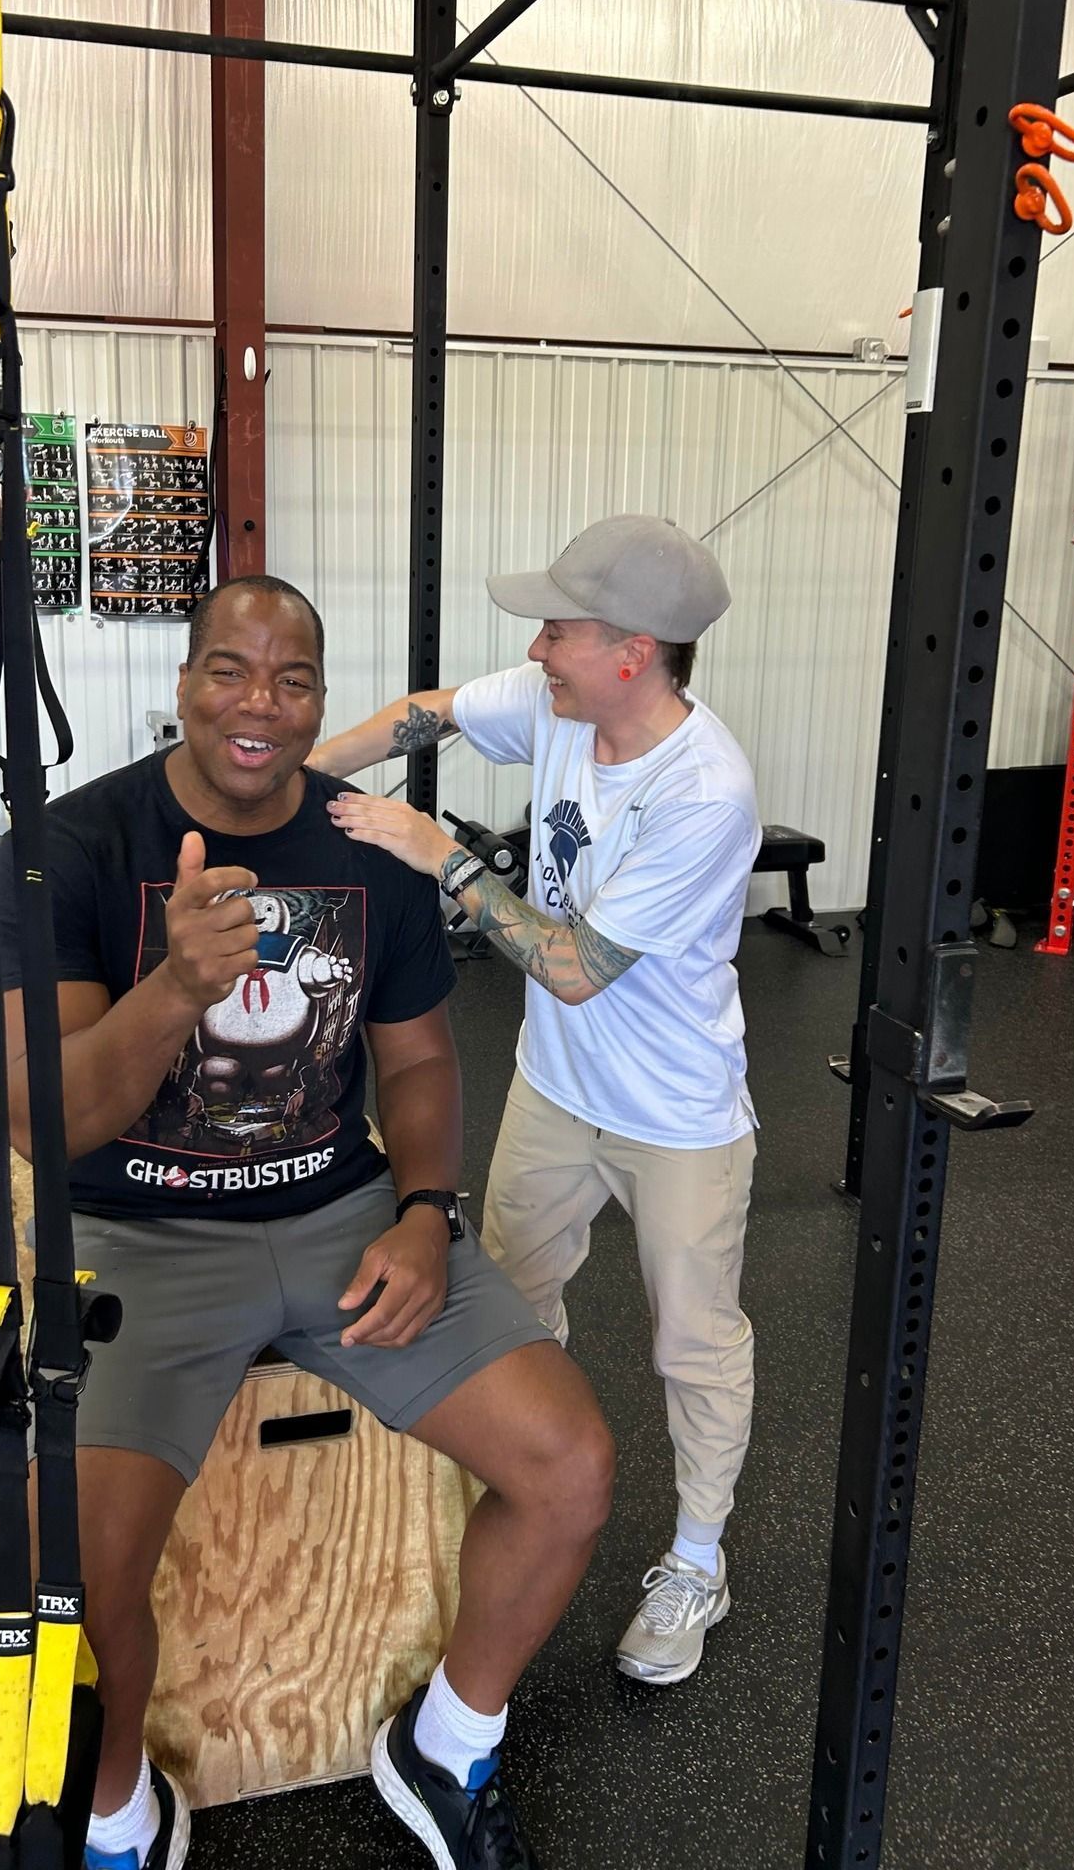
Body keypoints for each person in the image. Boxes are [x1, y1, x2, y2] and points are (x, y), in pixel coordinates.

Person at [0, 574, 614, 1870]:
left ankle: (446, 1747)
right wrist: (173, 986)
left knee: (571, 1467)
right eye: (230, 671)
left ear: (321, 698)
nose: (258, 706)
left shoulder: (367, 846)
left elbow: (425, 1065)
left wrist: (427, 1213)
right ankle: (117, 1814)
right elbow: (44, 1126)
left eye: (291, 680)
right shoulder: (72, 846)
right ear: (183, 683)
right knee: (80, 1573)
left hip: (343, 1216)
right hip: (141, 1232)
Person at [316, 514, 760, 1689]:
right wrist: (287, 777)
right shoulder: (559, 700)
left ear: (636, 652)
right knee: (506, 1308)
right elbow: (431, 708)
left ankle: (696, 1559)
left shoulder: (706, 792)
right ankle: (527, 1500)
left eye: (560, 629)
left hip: (677, 1114)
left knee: (692, 1345)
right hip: (557, 1091)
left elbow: (571, 966)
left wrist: (440, 855)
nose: (540, 645)